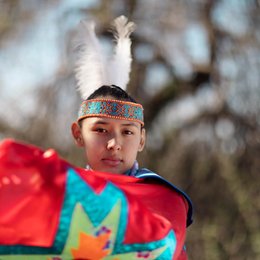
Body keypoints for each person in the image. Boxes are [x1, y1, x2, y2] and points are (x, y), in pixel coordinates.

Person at [70, 15, 193, 259]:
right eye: (100, 130)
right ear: (78, 134)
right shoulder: (64, 194)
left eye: (127, 132)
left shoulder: (163, 199)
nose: (114, 144)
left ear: (142, 140)